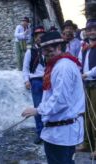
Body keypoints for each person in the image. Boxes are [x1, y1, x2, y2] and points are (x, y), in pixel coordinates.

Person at [21, 31, 85, 164]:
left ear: (59, 47)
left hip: (62, 133)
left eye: (50, 50)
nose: (46, 54)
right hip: (58, 132)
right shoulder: (56, 65)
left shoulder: (63, 67)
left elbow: (60, 100)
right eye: (44, 50)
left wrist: (37, 110)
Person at [22, 25, 46, 144]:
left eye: (42, 36)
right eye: (38, 36)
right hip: (36, 81)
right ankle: (40, 132)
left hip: (48, 80)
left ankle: (49, 131)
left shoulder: (48, 49)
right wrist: (26, 80)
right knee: (37, 107)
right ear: (35, 38)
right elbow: (25, 68)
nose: (40, 38)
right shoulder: (29, 52)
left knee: (48, 105)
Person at [77, 18, 96, 159]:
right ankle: (87, 143)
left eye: (94, 29)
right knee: (86, 115)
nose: (91, 32)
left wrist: (87, 74)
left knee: (95, 116)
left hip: (94, 84)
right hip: (85, 85)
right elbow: (79, 63)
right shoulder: (84, 47)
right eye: (89, 29)